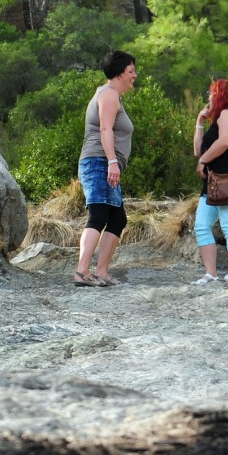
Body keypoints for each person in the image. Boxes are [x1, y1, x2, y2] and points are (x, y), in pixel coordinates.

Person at [75, 50, 136, 286]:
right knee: (99, 215)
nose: (134, 76)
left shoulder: (112, 96)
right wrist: (112, 161)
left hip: (105, 163)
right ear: (120, 73)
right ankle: (81, 272)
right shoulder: (109, 94)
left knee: (117, 218)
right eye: (131, 71)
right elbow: (105, 130)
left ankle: (100, 272)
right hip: (99, 162)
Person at [190, 77, 228, 285]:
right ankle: (210, 273)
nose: (209, 96)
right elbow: (198, 151)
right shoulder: (217, 119)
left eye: (212, 92)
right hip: (212, 183)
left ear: (221, 95)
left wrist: (204, 160)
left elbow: (223, 143)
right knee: (202, 226)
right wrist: (199, 123)